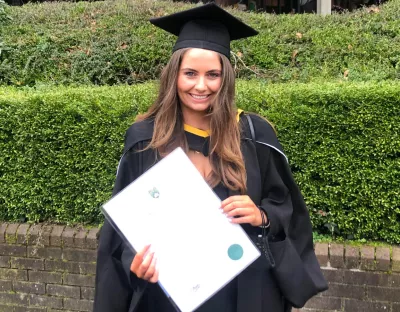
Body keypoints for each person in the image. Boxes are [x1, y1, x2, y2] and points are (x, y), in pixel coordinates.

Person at [93, 3, 327, 312]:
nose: (201, 86)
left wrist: (262, 216)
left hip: (246, 294)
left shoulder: (255, 135)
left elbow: (286, 208)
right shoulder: (144, 140)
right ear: (173, 75)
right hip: (170, 297)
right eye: (190, 73)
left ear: (226, 78)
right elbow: (122, 233)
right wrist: (135, 265)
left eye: (212, 74)